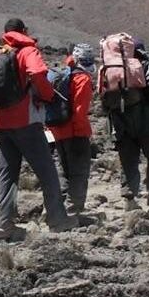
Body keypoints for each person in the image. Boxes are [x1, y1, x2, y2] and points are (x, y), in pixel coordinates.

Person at [0, 19, 77, 235]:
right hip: (27, 122)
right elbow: (38, 73)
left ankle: (4, 222)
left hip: (2, 125)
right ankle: (57, 219)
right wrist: (48, 95)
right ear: (24, 31)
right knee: (47, 172)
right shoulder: (27, 51)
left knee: (7, 173)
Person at [107, 38, 149, 209]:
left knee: (128, 159)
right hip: (144, 118)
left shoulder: (112, 68)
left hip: (119, 120)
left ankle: (129, 198)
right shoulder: (144, 64)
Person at [49, 44, 95, 216]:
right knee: (79, 171)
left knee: (64, 170)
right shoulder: (82, 79)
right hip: (75, 132)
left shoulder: (61, 75)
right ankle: (73, 210)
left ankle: (57, 208)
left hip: (57, 131)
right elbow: (79, 112)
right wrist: (83, 133)